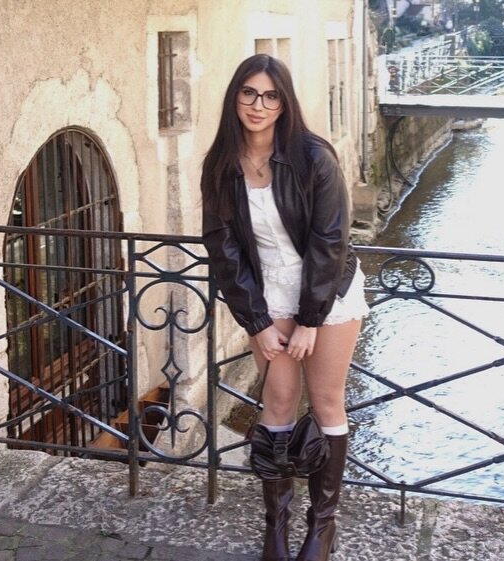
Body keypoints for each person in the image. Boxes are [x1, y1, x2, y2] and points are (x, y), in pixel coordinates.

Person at [201, 54, 369, 561]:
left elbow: (330, 241)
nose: (259, 105)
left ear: (284, 102)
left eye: (271, 96)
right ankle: (275, 526)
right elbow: (223, 249)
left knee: (326, 401)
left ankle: (322, 526)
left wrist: (310, 320)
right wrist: (256, 322)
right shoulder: (221, 164)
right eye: (249, 93)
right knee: (276, 403)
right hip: (268, 291)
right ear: (235, 97)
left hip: (327, 289)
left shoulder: (312, 157)